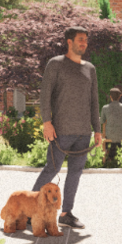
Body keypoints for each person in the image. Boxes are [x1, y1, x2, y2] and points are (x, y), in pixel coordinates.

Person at [33, 27, 103, 229]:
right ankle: (31, 210)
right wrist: (47, 122)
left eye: (86, 40)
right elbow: (45, 95)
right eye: (80, 40)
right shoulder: (55, 64)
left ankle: (66, 213)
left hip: (83, 132)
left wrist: (97, 130)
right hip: (61, 130)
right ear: (69, 42)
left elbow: (94, 101)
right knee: (51, 170)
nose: (84, 44)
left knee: (75, 172)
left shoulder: (90, 68)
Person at [101, 87, 122, 166]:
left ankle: (109, 156)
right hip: (121, 134)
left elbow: (102, 121)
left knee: (112, 136)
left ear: (110, 96)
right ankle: (118, 155)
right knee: (118, 137)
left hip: (109, 134)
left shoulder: (105, 108)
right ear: (119, 96)